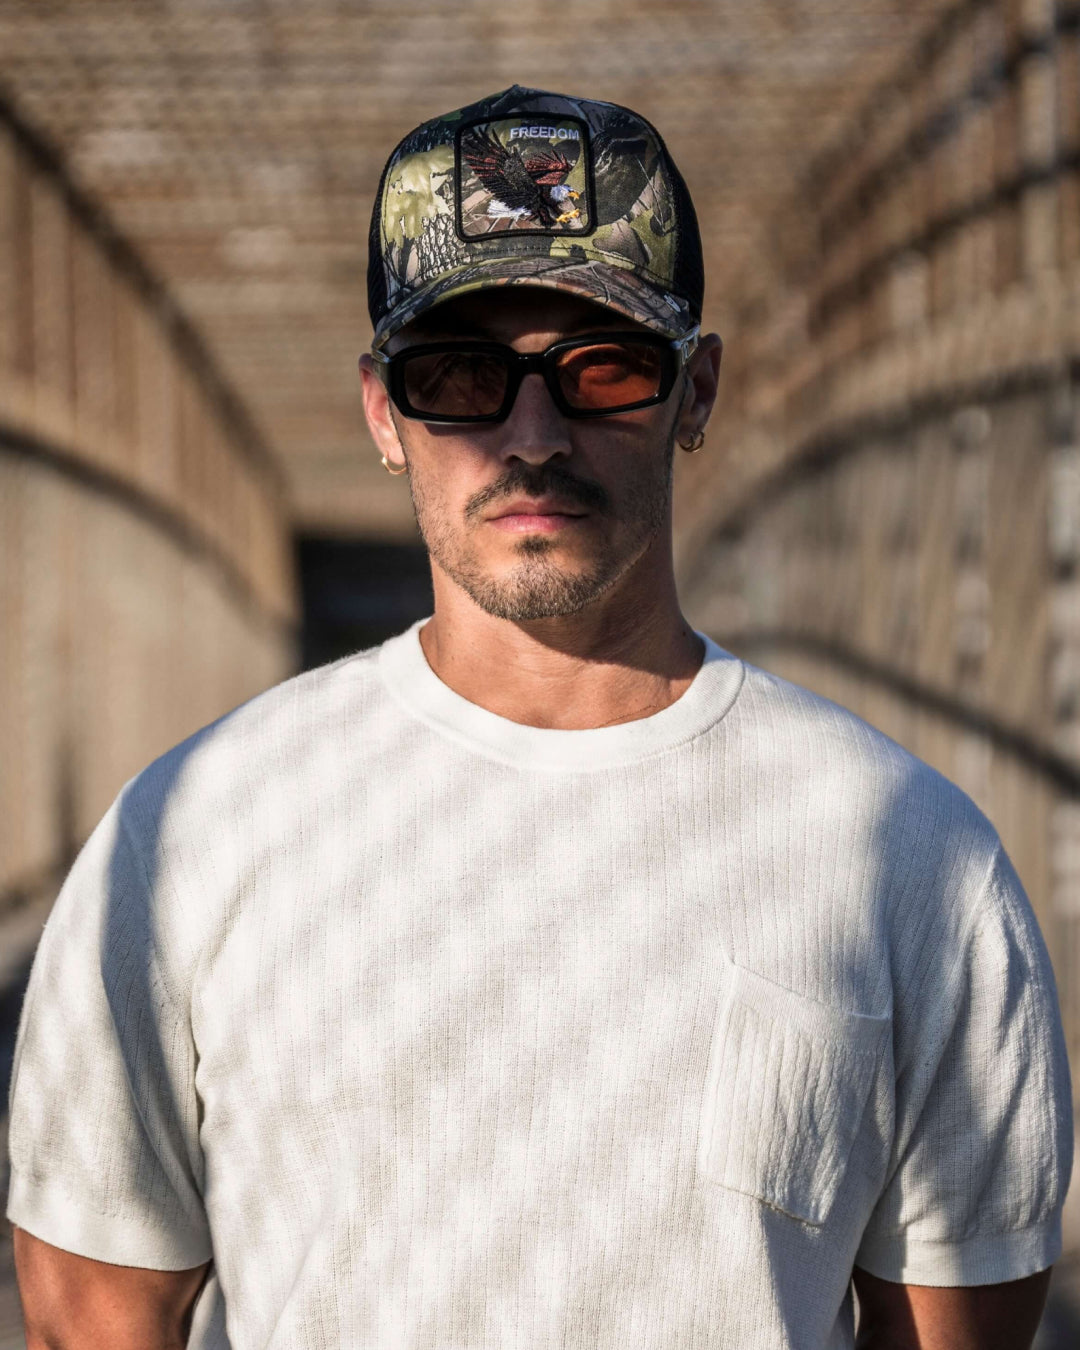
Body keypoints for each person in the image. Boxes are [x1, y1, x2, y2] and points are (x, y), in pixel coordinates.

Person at [6, 85, 1073, 1350]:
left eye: (601, 367)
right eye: (458, 374)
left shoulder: (911, 859)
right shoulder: (192, 835)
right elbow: (94, 1313)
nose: (530, 434)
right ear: (380, 414)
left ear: (696, 393)